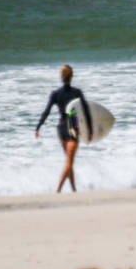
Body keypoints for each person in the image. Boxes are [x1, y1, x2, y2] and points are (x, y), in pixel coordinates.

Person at [35, 65, 91, 193]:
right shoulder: (77, 92)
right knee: (69, 162)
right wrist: (90, 130)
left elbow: (47, 111)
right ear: (72, 77)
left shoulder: (55, 94)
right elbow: (86, 111)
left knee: (69, 161)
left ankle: (73, 189)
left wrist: (38, 126)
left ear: (61, 77)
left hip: (61, 127)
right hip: (73, 125)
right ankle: (58, 190)